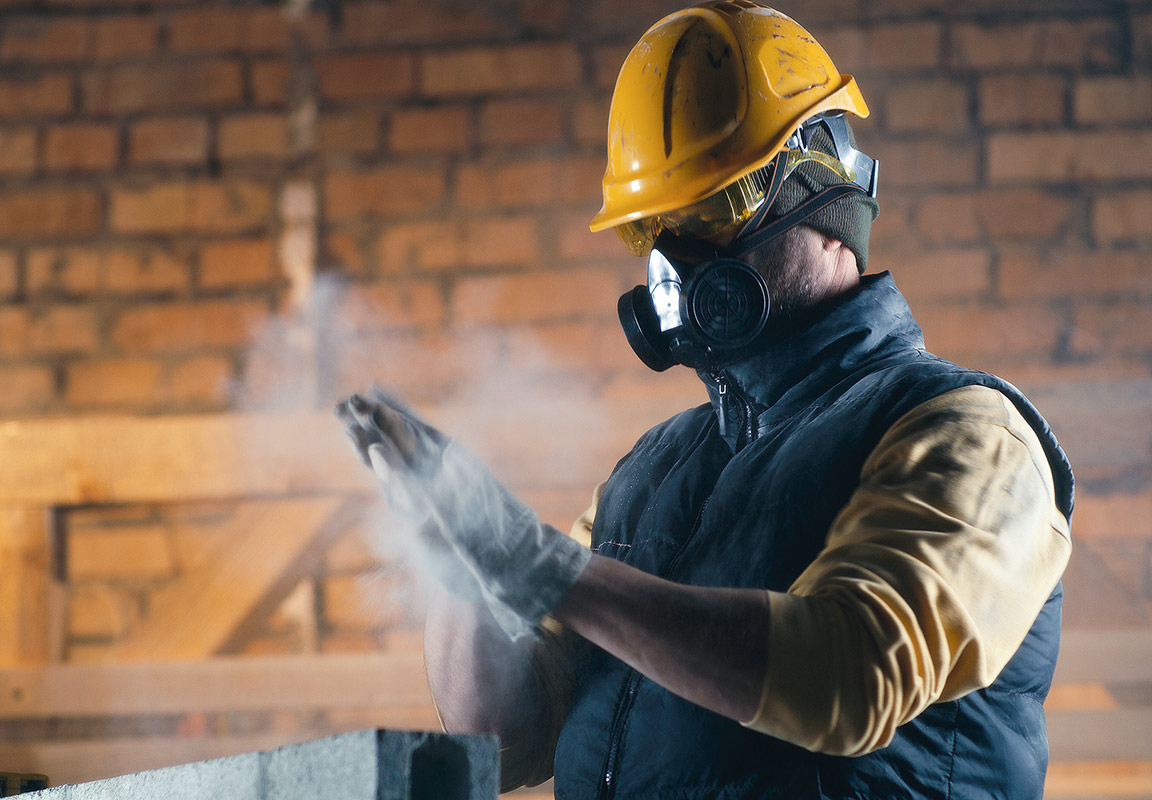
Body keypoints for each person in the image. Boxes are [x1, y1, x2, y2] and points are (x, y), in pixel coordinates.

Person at [336, 3, 1074, 798]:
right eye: (656, 228)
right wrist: (458, 560)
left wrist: (549, 570)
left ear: (829, 197)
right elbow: (510, 741)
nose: (678, 263)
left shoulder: (965, 436)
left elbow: (852, 677)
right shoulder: (647, 476)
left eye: (715, 212)